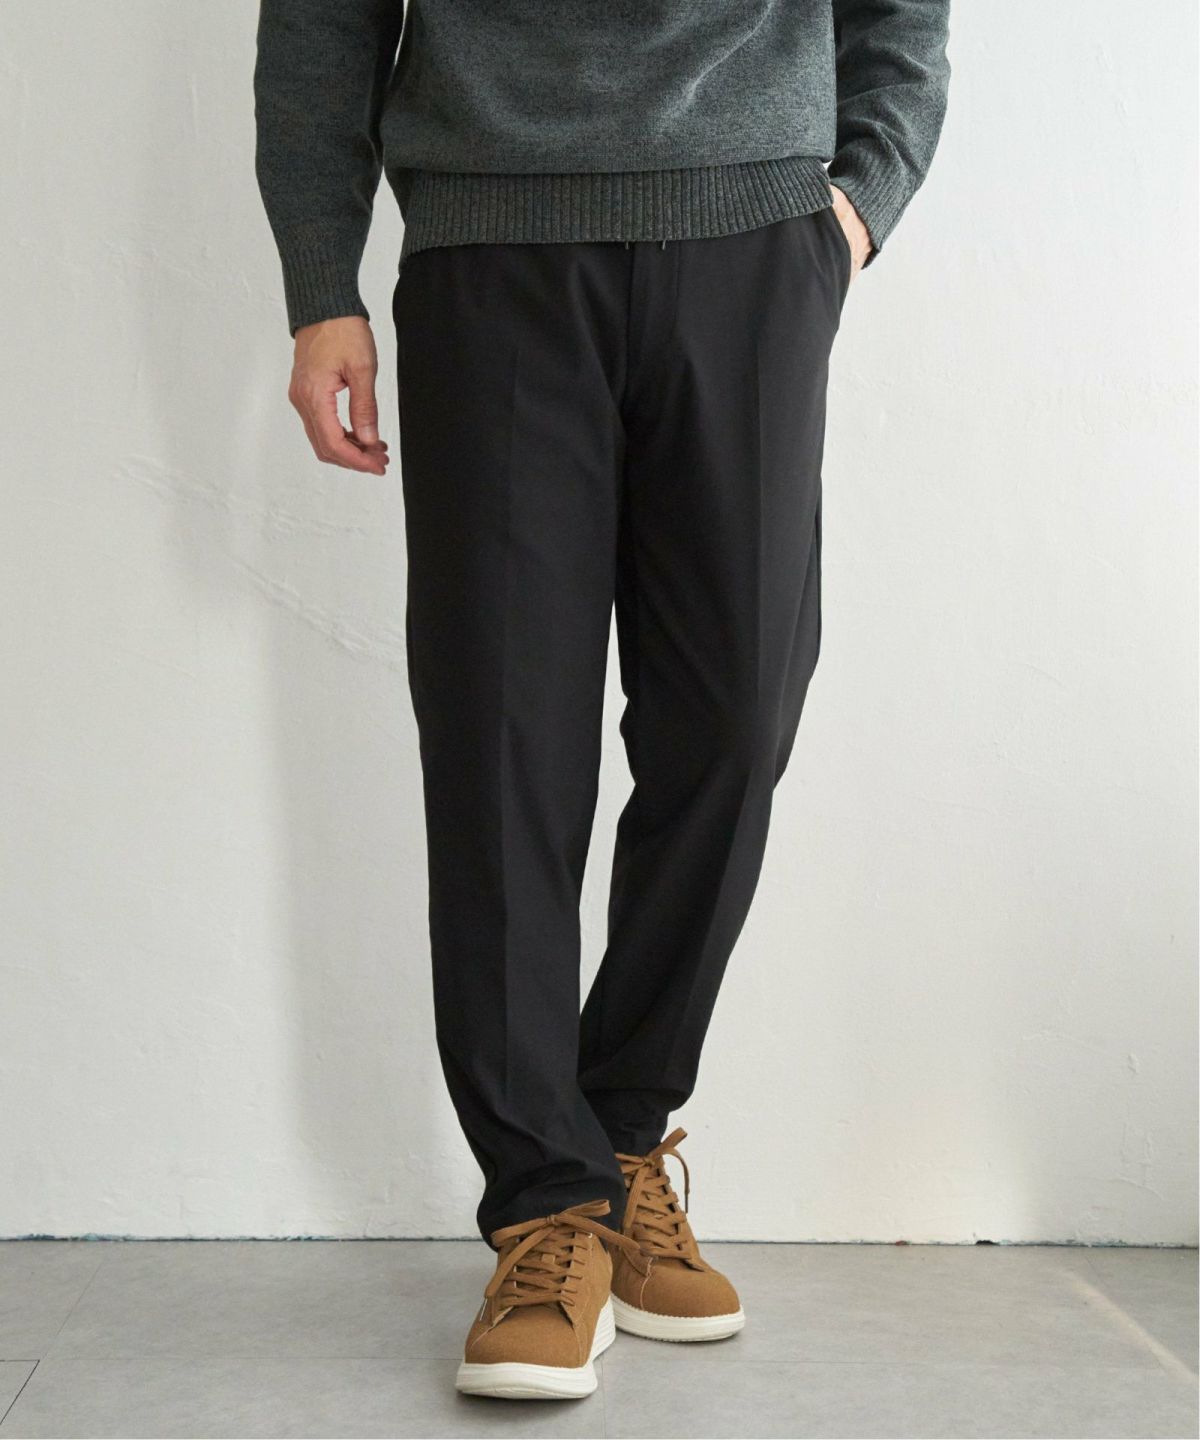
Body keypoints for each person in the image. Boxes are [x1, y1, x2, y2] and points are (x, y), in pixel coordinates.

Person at [255, 0, 950, 1401]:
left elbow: (903, 19)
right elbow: (323, 20)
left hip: (758, 243)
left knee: (738, 720)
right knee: (502, 737)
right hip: (493, 250)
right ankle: (545, 1204)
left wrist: (855, 207)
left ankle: (622, 1134)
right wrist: (323, 281)